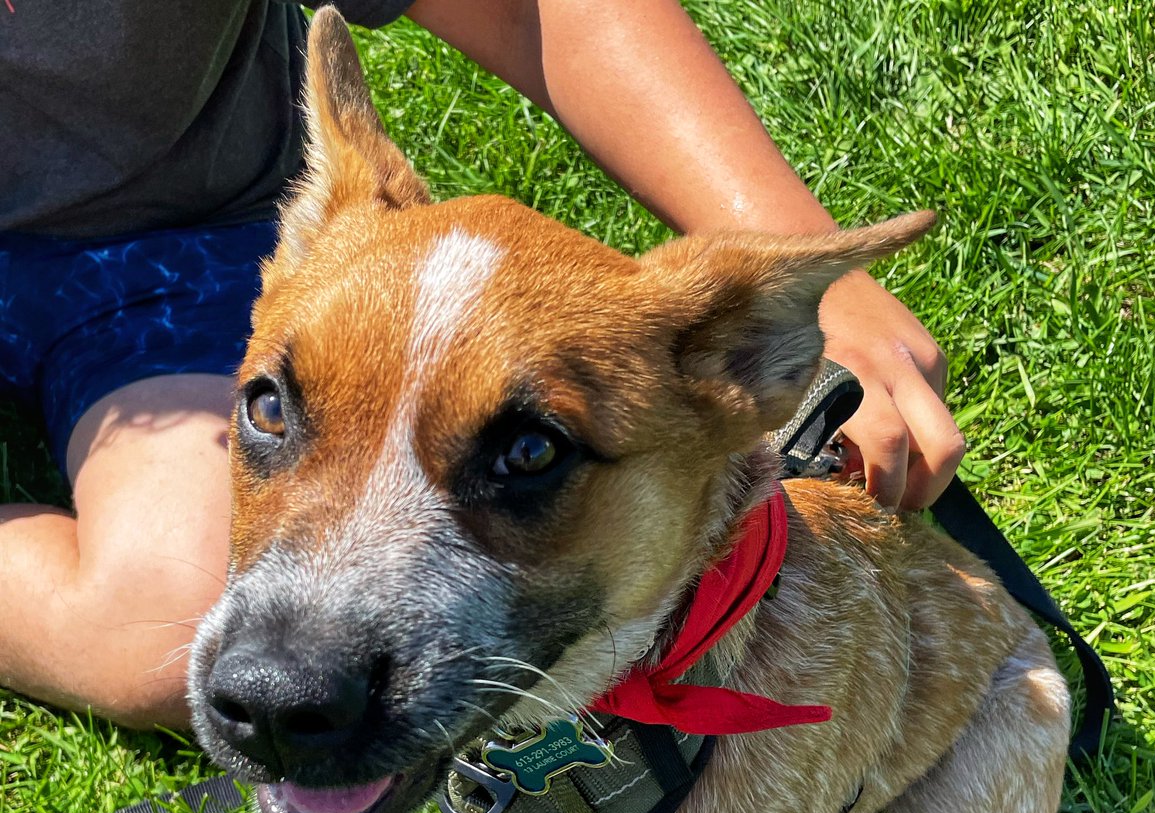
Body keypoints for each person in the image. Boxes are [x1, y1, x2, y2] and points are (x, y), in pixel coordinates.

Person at [0, 0, 961, 732]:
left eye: (525, 455)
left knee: (158, 625)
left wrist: (800, 274)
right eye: (273, 415)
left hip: (162, 233)